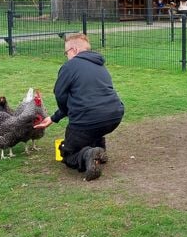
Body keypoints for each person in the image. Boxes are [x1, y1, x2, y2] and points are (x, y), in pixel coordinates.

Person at [33, 33, 124, 180]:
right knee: (93, 126)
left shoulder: (70, 66)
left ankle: (88, 155)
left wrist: (64, 112)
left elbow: (60, 95)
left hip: (88, 120)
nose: (66, 56)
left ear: (73, 50)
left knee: (68, 153)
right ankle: (99, 150)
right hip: (113, 116)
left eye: (66, 52)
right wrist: (54, 118)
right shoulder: (100, 66)